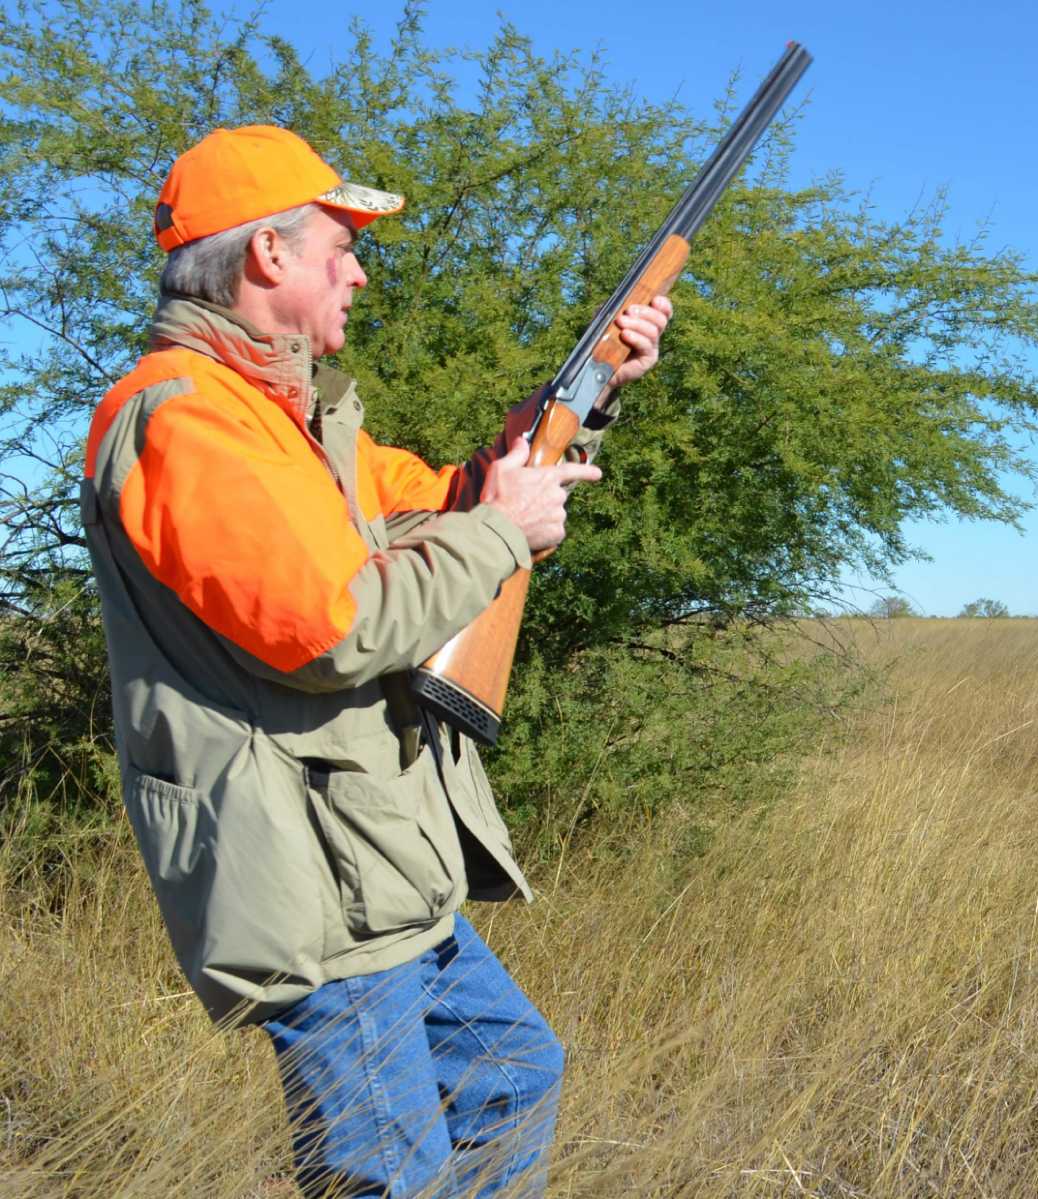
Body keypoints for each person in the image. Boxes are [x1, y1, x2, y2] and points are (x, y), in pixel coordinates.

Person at [80, 124, 672, 1196]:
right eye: (340, 244)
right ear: (267, 257)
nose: (357, 269)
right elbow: (331, 628)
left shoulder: (295, 420)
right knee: (385, 1175)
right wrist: (502, 533)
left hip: (376, 859)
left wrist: (588, 401)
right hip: (309, 884)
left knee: (512, 1075)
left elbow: (453, 498)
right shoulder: (184, 419)